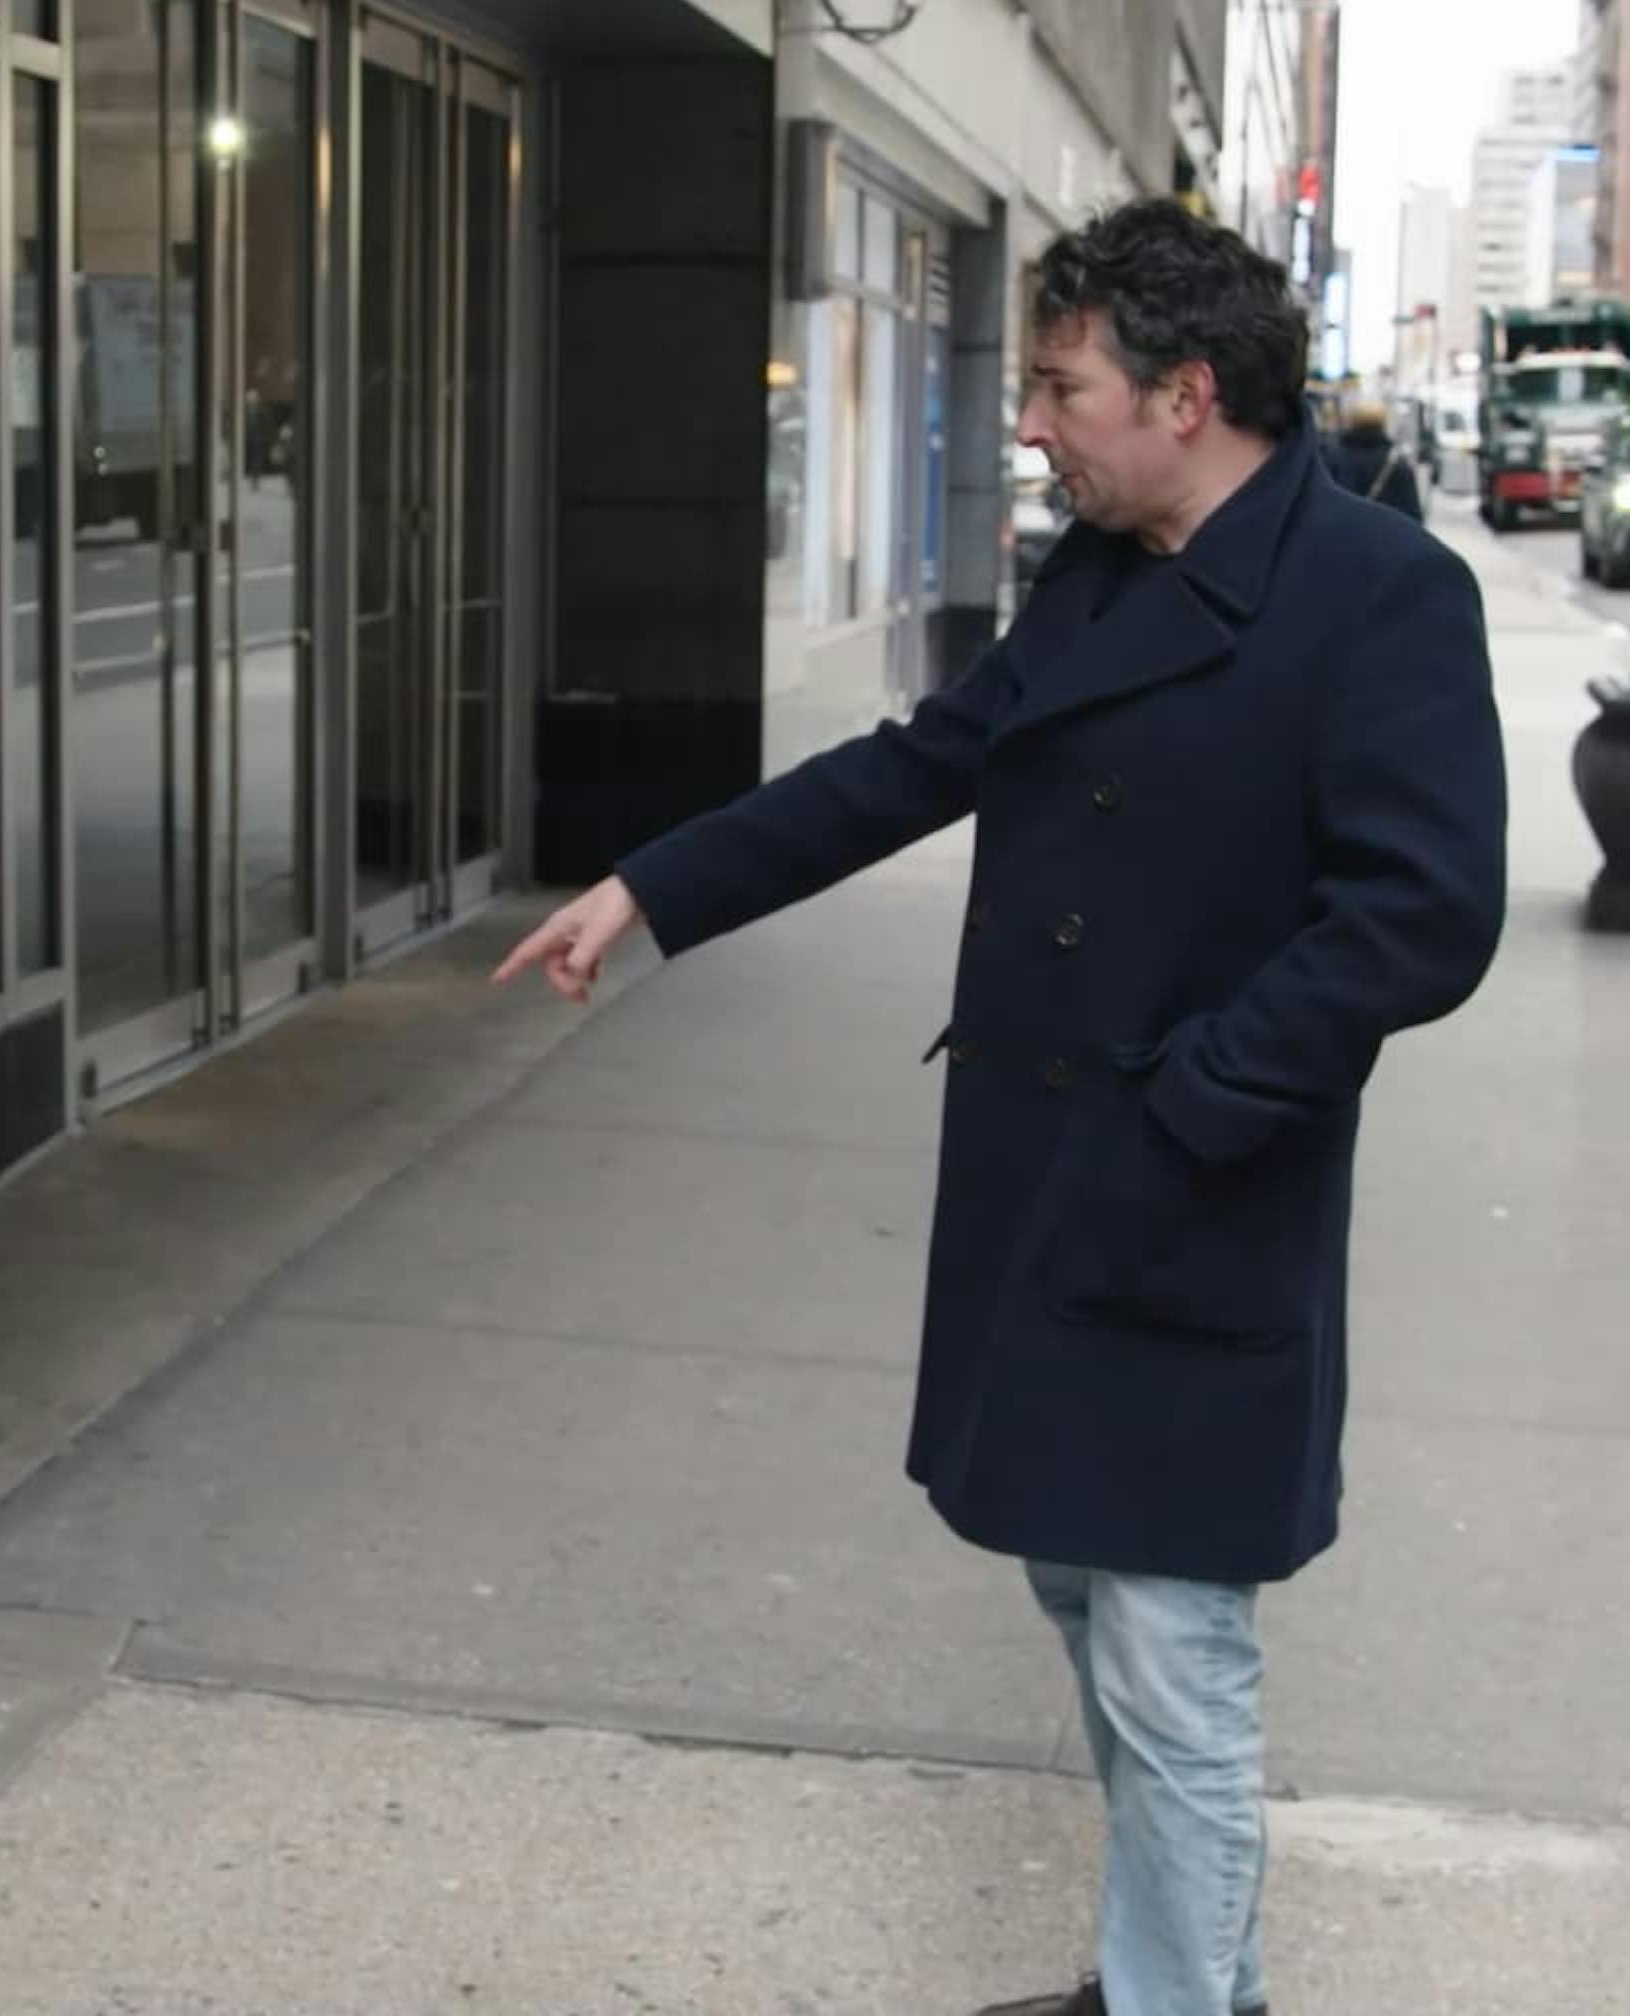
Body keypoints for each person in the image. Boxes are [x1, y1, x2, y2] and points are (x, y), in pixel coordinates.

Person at [492, 198, 1511, 2016]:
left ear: (1186, 396)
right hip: (1050, 1175)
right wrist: (655, 884)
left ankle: (1180, 2002)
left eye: (1060, 388)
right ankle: (1174, 1976)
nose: (1031, 426)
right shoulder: (1099, 575)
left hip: (1204, 1184)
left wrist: (1206, 1092)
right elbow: (919, 765)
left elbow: (1423, 915)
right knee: (1081, 1589)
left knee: (1176, 1644)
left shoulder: (1382, 593)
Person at [1323, 398, 1429, 522]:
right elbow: (1413, 515)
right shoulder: (1396, 462)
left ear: (1351, 421)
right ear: (1383, 423)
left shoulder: (1332, 457)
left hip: (1341, 528)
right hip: (1385, 531)